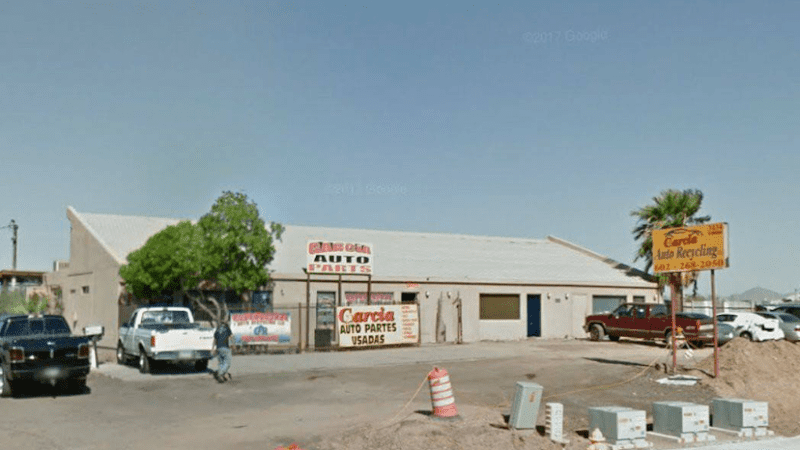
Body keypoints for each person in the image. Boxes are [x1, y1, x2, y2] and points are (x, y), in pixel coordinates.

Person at [212, 319, 233, 383]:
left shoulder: (217, 330)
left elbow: (214, 340)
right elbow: (231, 337)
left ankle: (222, 375)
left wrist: (212, 348)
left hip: (218, 348)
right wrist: (233, 345)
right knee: (227, 363)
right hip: (225, 347)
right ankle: (220, 374)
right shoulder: (227, 329)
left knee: (221, 363)